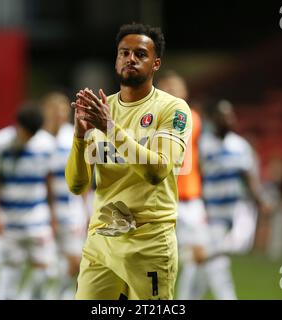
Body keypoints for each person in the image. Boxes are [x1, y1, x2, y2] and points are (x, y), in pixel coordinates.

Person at [65, 23, 192, 300]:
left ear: (156, 63)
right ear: (116, 58)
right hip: (103, 236)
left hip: (148, 241)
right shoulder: (101, 108)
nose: (130, 59)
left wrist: (110, 130)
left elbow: (157, 170)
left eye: (140, 54)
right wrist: (79, 137)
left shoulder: (172, 109)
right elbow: (77, 185)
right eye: (124, 52)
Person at [188, 99, 268, 300]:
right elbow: (195, 177)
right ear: (214, 119)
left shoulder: (240, 146)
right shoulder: (202, 145)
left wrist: (261, 200)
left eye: (230, 115)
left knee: (201, 263)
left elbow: (249, 177)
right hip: (207, 214)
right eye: (223, 116)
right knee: (215, 260)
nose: (228, 120)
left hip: (231, 215)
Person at [0, 104, 57, 300]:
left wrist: (53, 215)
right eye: (26, 133)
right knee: (8, 275)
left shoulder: (46, 145)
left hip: (37, 218)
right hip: (9, 221)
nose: (29, 137)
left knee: (46, 270)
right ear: (18, 126)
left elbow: (49, 180)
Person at [155, 70, 208, 300]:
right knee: (159, 259)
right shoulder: (150, 118)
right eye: (167, 88)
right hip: (161, 200)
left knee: (200, 257)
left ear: (184, 92)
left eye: (176, 88)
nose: (172, 92)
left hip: (189, 200)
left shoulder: (192, 118)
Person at [40, 92, 88, 299]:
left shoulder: (73, 136)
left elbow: (84, 172)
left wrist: (87, 209)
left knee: (75, 262)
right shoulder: (38, 139)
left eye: (62, 110)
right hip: (41, 210)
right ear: (45, 111)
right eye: (53, 109)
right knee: (43, 265)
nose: (58, 114)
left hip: (70, 210)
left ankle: (55, 295)